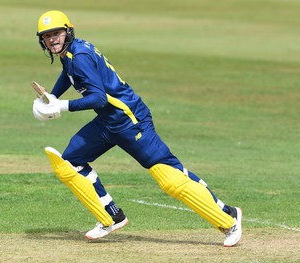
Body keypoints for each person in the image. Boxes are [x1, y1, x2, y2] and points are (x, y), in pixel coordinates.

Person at [32, 10, 242, 247]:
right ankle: (111, 215)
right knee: (71, 162)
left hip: (130, 121)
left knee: (170, 178)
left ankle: (229, 219)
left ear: (67, 31)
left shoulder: (79, 55)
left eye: (56, 33)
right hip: (108, 121)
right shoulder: (71, 52)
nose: (52, 39)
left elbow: (98, 98)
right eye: (47, 36)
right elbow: (69, 74)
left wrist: (62, 106)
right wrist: (51, 96)